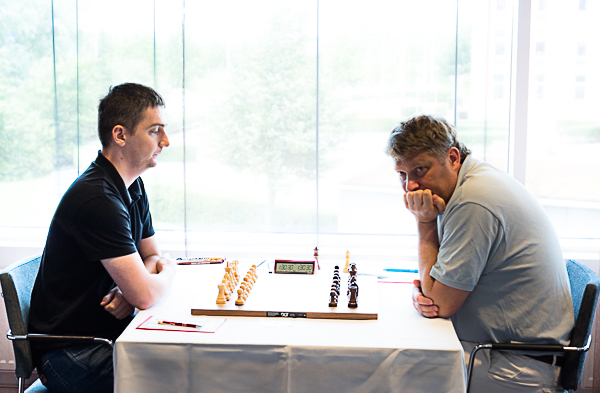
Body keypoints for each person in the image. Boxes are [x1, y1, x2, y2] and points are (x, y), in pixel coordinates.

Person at [385, 115, 574, 392]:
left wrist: (424, 223)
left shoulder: (472, 202)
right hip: (507, 351)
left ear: (452, 158)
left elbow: (441, 305)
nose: (410, 186)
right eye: (402, 174)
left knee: (390, 371)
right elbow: (434, 289)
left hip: (515, 366)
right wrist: (425, 290)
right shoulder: (473, 181)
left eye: (420, 169)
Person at [28, 83, 177, 393]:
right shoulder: (97, 199)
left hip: (104, 337)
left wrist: (131, 290)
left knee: (186, 365)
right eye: (155, 131)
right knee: (181, 374)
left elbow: (151, 256)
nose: (166, 141)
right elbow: (149, 292)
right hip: (72, 355)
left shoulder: (131, 185)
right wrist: (167, 274)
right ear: (120, 135)